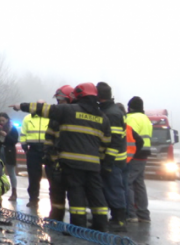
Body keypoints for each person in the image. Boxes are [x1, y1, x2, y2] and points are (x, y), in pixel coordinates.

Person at [12, 82, 111, 231]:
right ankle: (102, 227)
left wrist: (21, 106)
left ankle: (78, 228)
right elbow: (105, 144)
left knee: (76, 194)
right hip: (93, 165)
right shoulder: (102, 118)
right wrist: (99, 160)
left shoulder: (69, 111)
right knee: (96, 195)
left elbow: (43, 109)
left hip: (72, 164)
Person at [97, 82, 128, 232]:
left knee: (114, 187)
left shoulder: (112, 113)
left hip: (113, 159)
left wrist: (108, 162)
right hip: (112, 158)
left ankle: (119, 219)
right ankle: (115, 217)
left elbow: (114, 141)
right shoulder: (110, 110)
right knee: (110, 187)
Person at [44, 85, 75, 221]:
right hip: (55, 161)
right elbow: (49, 136)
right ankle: (56, 217)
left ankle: (77, 221)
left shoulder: (75, 116)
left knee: (75, 191)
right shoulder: (56, 117)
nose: (58, 103)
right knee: (55, 191)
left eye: (61, 100)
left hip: (71, 161)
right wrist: (47, 155)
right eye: (58, 100)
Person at [124, 96, 152, 223]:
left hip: (134, 154)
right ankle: (143, 214)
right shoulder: (146, 119)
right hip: (144, 154)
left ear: (130, 107)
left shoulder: (131, 118)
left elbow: (129, 136)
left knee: (127, 182)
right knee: (139, 183)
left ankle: (131, 214)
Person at [20, 101, 49, 207]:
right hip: (33, 149)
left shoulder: (50, 117)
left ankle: (54, 200)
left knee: (51, 176)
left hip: (47, 149)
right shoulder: (28, 118)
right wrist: (24, 145)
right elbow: (23, 133)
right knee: (33, 176)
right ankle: (33, 198)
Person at [0, 112, 20, 200]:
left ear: (7, 119)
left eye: (3, 120)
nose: (1, 122)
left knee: (11, 173)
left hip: (9, 152)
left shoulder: (12, 128)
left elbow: (14, 141)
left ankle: (14, 193)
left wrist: (6, 135)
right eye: (0, 121)